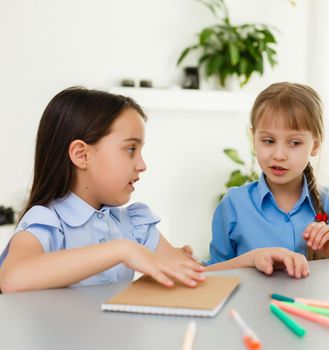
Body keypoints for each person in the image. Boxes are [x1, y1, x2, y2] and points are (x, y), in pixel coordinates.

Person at [0, 87, 205, 293]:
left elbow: (195, 277)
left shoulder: (135, 224)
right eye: (131, 149)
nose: (142, 165)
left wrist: (232, 263)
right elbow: (12, 279)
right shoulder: (48, 222)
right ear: (82, 155)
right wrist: (122, 250)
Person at [206, 82, 329, 278]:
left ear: (315, 145)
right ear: (254, 140)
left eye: (295, 143)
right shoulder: (233, 205)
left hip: (313, 309)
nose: (279, 154)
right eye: (268, 141)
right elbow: (215, 275)